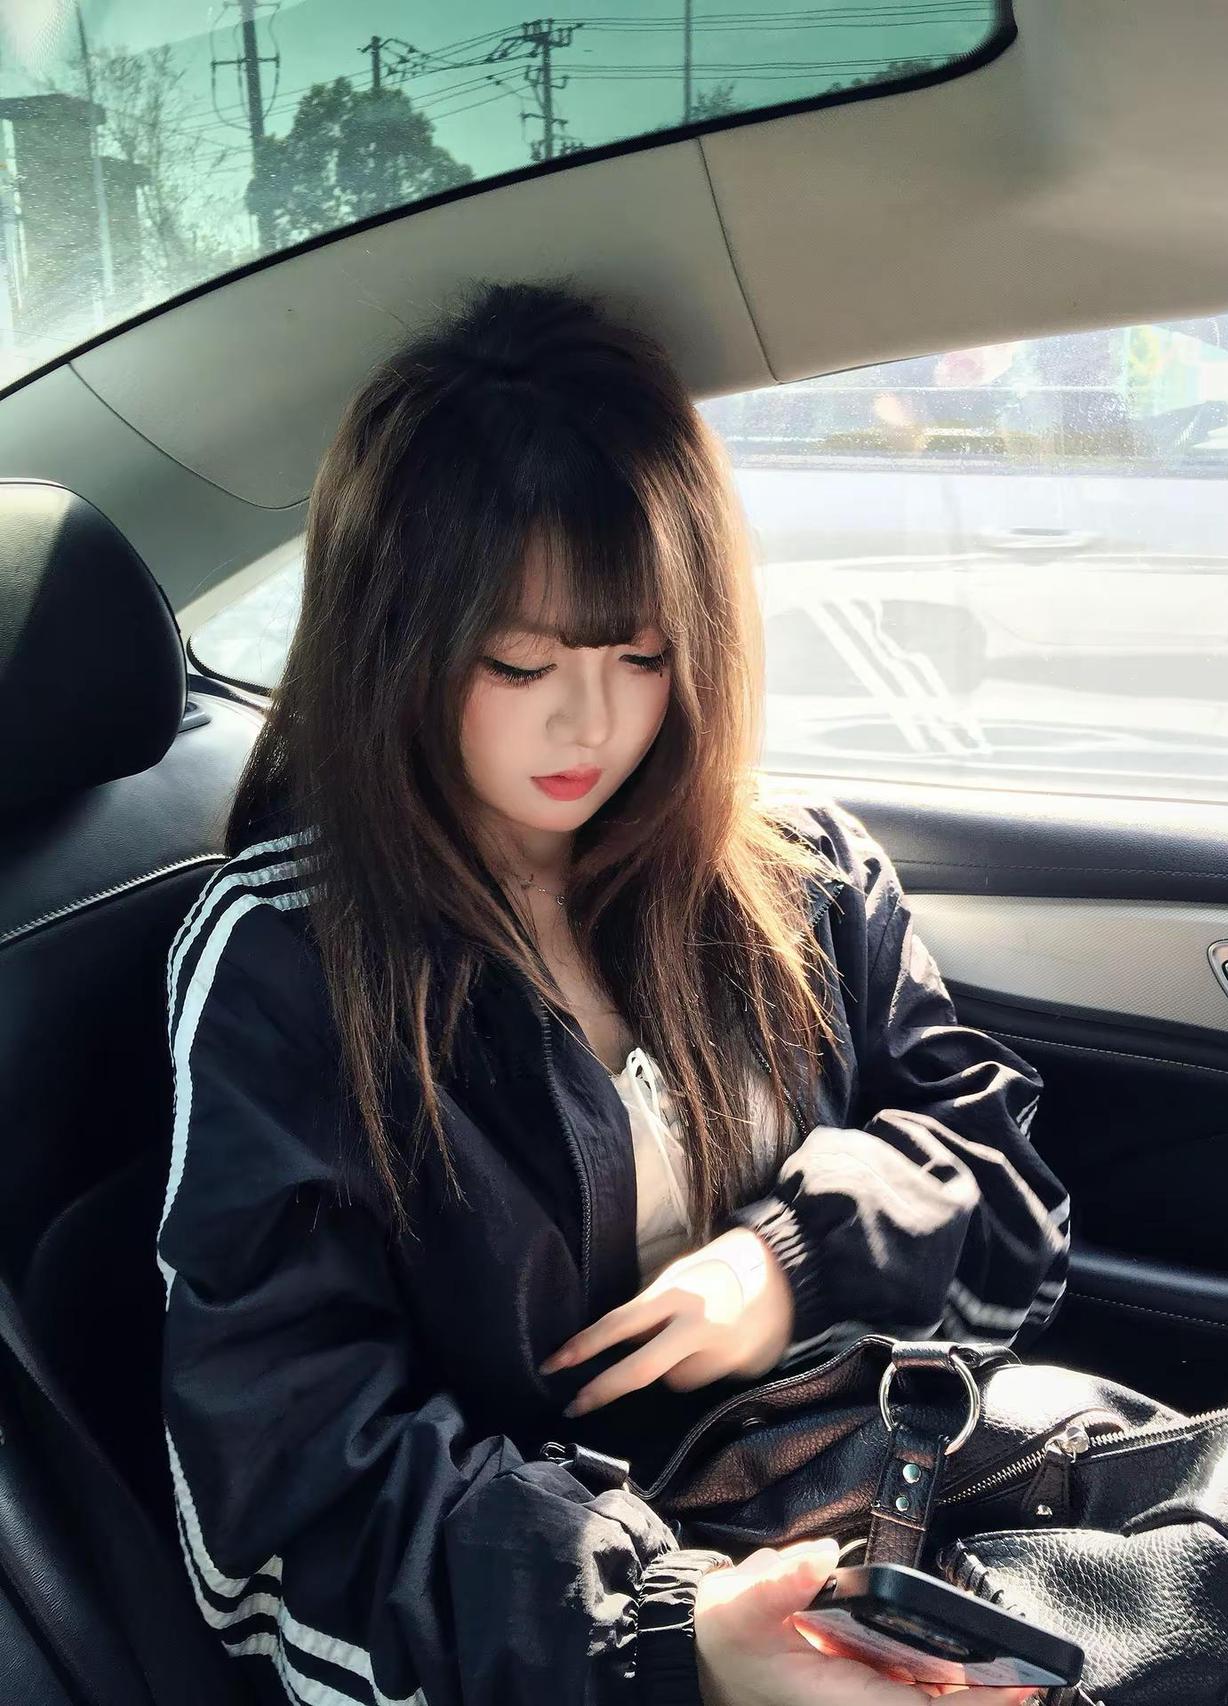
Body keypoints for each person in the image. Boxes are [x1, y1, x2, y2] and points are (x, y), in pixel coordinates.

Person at [156, 277, 1070, 1706]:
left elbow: (1008, 1186)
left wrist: (795, 1259)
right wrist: (669, 1637)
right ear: (395, 637)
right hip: (593, 1625)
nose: (590, 721)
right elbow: (290, 1499)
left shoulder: (795, 875)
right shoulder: (289, 963)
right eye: (519, 661)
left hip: (897, 1506)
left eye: (641, 653)